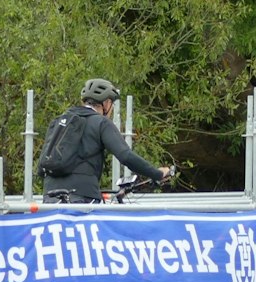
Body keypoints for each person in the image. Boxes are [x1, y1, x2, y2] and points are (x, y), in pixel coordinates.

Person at [38, 77, 173, 201]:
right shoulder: (101, 122)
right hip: (82, 197)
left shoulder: (59, 121)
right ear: (107, 103)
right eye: (112, 104)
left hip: (50, 195)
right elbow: (125, 156)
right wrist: (157, 174)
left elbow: (42, 165)